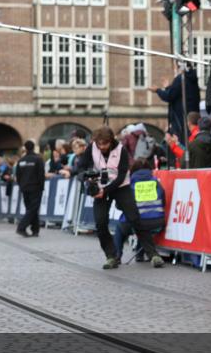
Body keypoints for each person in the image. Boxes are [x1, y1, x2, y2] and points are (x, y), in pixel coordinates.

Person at [75, 126, 164, 269]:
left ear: (111, 141)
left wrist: (106, 190)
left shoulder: (121, 150)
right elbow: (81, 167)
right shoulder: (92, 147)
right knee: (100, 223)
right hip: (100, 187)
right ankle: (111, 256)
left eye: (105, 144)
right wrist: (85, 178)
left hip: (120, 186)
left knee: (134, 217)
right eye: (99, 144)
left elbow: (121, 176)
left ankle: (153, 254)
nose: (102, 147)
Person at [113, 158, 166, 262]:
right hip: (158, 223)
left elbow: (119, 206)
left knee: (121, 227)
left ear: (132, 170)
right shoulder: (156, 182)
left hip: (136, 223)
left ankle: (116, 256)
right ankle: (140, 254)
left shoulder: (128, 184)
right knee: (144, 227)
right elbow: (163, 203)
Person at [151, 65, 200, 144]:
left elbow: (169, 96)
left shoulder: (180, 79)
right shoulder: (192, 80)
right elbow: (175, 95)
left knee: (180, 143)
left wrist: (157, 90)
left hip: (180, 120)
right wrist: (167, 88)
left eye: (174, 67)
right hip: (190, 117)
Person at [14, 140, 45, 238]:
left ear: (25, 148)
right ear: (34, 147)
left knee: (30, 209)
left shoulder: (21, 161)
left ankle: (35, 230)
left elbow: (18, 175)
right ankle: (21, 227)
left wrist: (21, 186)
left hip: (25, 188)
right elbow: (41, 174)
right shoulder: (38, 159)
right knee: (33, 209)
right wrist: (41, 187)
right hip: (35, 187)